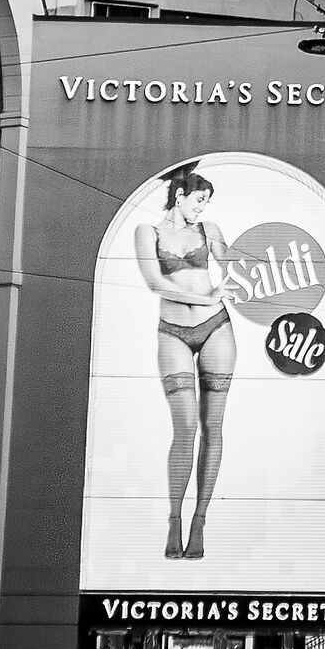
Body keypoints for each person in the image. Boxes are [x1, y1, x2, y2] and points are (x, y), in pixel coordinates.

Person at [134, 161, 235, 560]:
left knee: (213, 427)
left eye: (207, 202)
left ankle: (200, 521)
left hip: (216, 328)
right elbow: (155, 282)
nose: (202, 208)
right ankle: (174, 517)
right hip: (173, 331)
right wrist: (204, 297)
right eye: (199, 200)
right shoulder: (148, 232)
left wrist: (234, 269)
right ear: (180, 196)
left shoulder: (209, 230)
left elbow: (233, 263)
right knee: (186, 427)